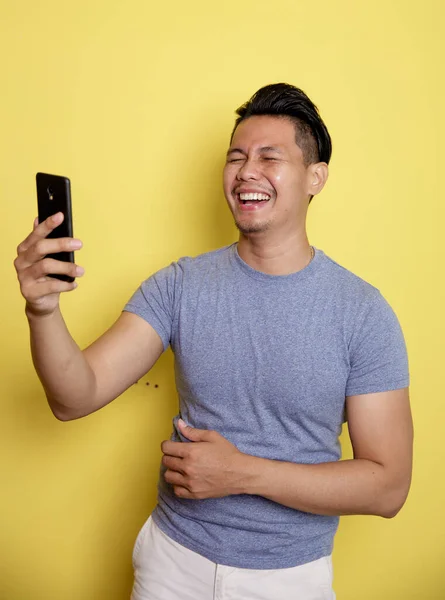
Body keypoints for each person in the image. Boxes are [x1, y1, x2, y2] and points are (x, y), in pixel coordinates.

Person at [14, 83, 413, 600]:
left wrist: (244, 474)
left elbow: (388, 486)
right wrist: (42, 310)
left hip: (289, 578)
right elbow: (75, 396)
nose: (247, 171)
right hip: (172, 564)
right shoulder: (179, 286)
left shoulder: (362, 312)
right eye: (236, 158)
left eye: (270, 157)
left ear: (316, 177)